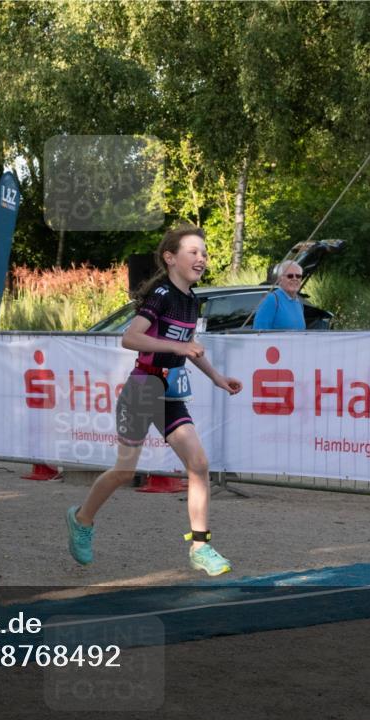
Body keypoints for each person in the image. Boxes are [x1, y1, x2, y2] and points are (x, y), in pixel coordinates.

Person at [65, 225, 243, 577]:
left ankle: (200, 546)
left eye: (204, 253)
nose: (201, 258)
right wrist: (178, 347)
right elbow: (130, 338)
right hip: (142, 389)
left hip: (170, 394)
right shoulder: (161, 294)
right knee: (125, 471)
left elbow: (189, 347)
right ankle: (81, 519)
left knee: (199, 463)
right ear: (170, 257)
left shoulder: (192, 300)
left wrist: (217, 378)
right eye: (193, 251)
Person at [252, 260, 307, 330]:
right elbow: (259, 333)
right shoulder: (271, 300)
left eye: (298, 276)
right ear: (280, 279)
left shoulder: (299, 303)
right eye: (290, 276)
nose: (295, 278)